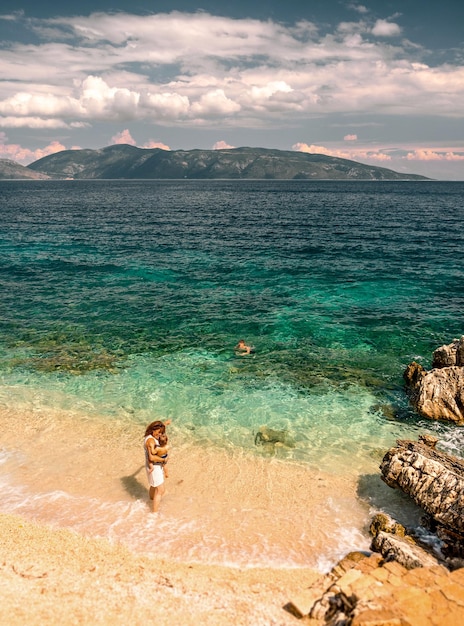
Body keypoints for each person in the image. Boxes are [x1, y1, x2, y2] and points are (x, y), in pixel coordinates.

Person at [144, 420, 170, 513]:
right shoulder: (150, 441)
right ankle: (154, 513)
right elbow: (151, 457)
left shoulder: (151, 436)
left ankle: (151, 500)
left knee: (154, 485)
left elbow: (159, 428)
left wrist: (165, 424)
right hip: (154, 467)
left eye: (161, 433)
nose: (160, 435)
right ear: (153, 430)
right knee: (161, 490)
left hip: (154, 467)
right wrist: (164, 460)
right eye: (159, 432)